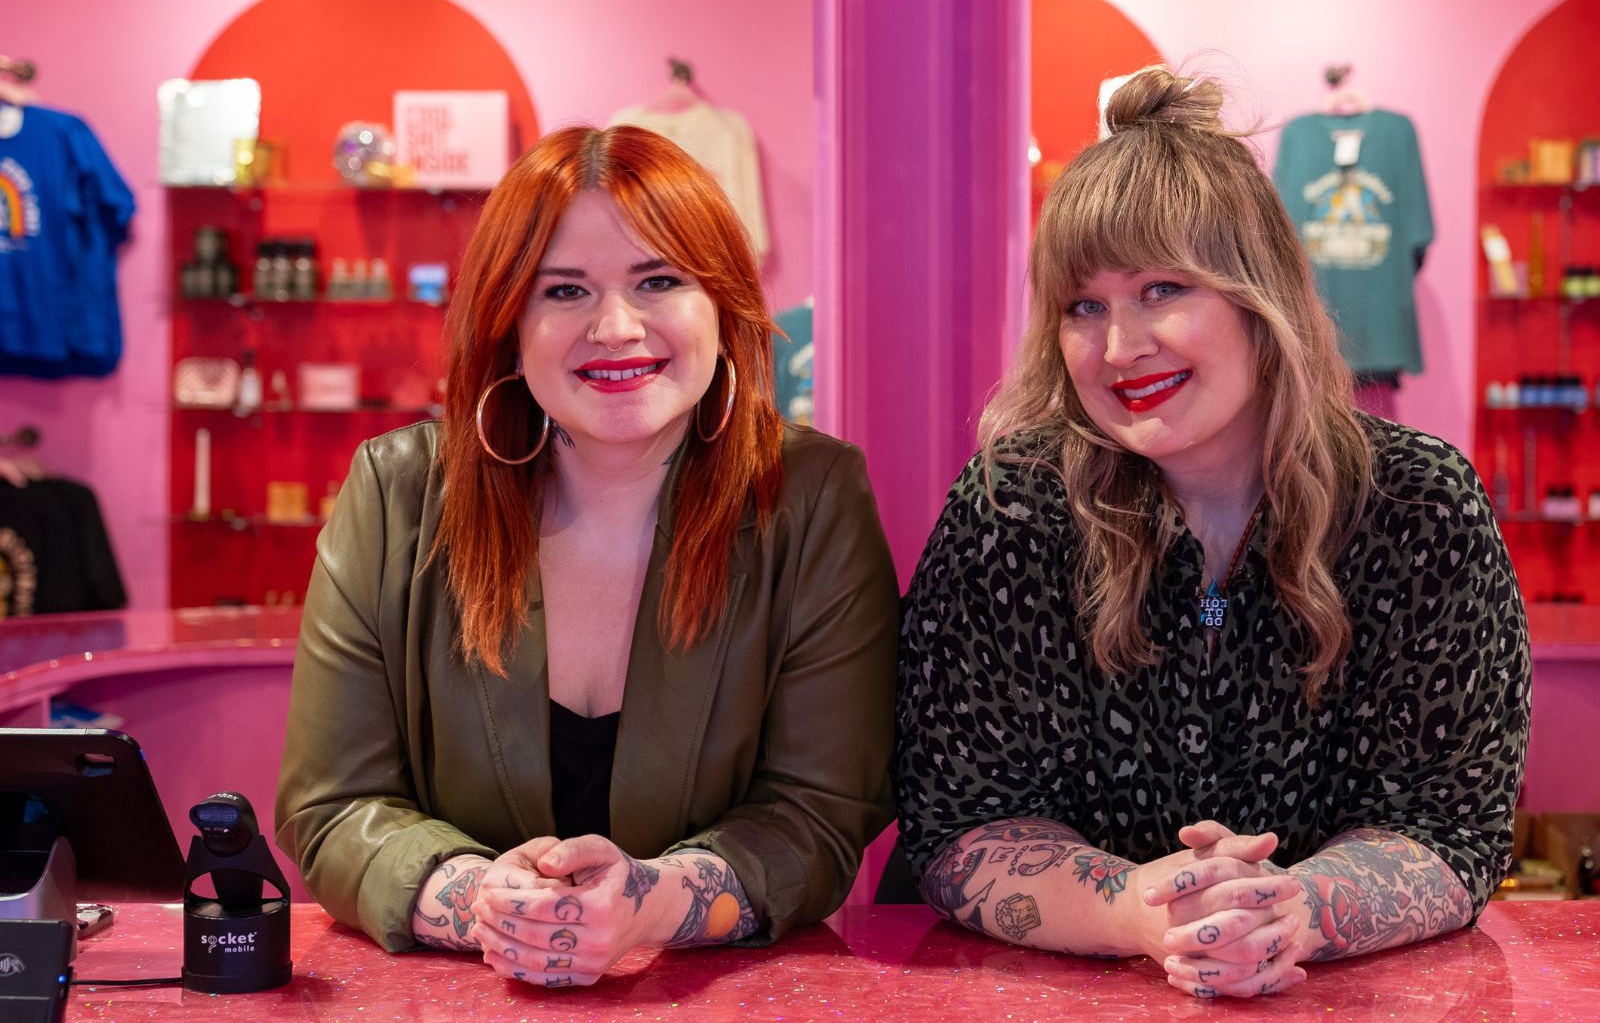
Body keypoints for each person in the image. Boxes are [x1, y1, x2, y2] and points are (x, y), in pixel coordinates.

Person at [893, 68, 1531, 1000]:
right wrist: (1134, 908)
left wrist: (1295, 910)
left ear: (1257, 296)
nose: (1120, 347)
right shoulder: (1011, 506)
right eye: (1084, 306)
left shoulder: (1420, 505)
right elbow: (956, 819)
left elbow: (1452, 823)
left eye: (1162, 289)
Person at [276, 126, 899, 988]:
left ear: (721, 304)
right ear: (509, 322)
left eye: (659, 281)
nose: (615, 327)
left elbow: (820, 813)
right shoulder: (395, 494)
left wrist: (650, 900)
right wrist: (485, 901)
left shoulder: (813, 496)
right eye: (564, 290)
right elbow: (332, 807)